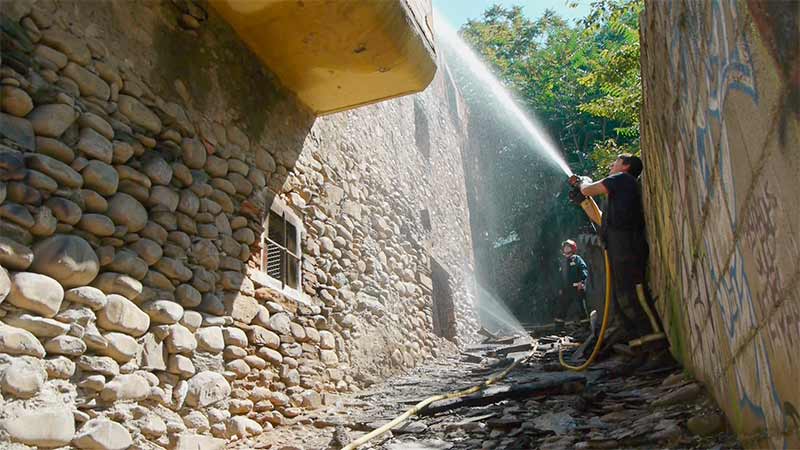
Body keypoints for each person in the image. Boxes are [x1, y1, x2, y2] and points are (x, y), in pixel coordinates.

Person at [573, 154, 661, 339]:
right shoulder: (619, 192)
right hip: (618, 247)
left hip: (628, 246)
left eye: (616, 162)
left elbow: (588, 189)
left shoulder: (622, 179)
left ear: (626, 166)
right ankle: (640, 346)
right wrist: (584, 203)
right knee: (624, 299)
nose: (612, 165)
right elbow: (602, 219)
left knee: (637, 295)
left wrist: (583, 182)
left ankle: (657, 346)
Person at [555, 239, 589, 322]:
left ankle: (585, 327)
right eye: (565, 247)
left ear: (573, 248)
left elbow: (584, 270)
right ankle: (559, 328)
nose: (566, 249)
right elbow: (560, 276)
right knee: (561, 309)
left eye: (568, 247)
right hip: (566, 290)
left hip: (577, 288)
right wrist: (560, 288)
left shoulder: (577, 259)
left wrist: (582, 282)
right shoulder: (563, 261)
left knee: (581, 308)